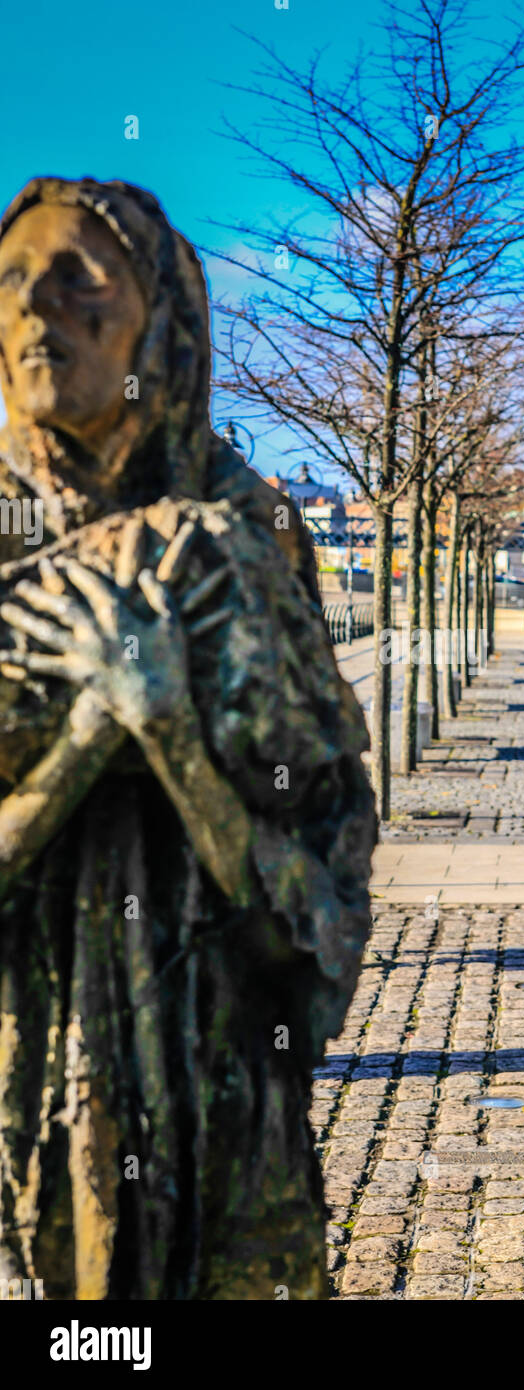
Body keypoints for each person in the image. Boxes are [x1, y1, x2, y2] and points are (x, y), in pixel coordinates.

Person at [0, 177, 376, 1299]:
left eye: (79, 283)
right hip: (23, 1073)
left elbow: (318, 864)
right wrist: (85, 741)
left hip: (226, 1079)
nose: (35, 313)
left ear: (160, 318)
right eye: (14, 281)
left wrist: (168, 732)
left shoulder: (250, 531)